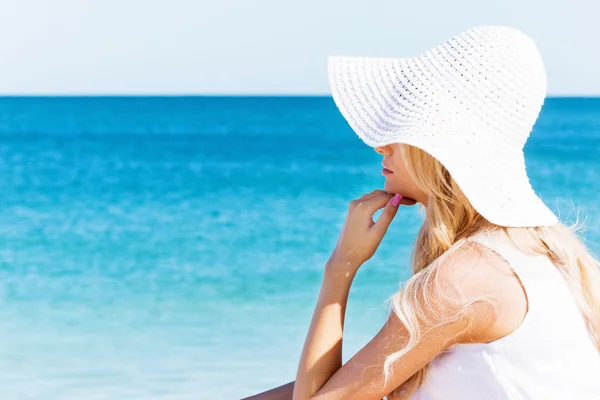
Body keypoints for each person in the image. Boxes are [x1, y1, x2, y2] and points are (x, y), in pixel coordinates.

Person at [243, 26, 600, 400]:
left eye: (401, 130)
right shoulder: (537, 254)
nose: (382, 146)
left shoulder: (464, 278)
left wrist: (341, 267)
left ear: (437, 148)